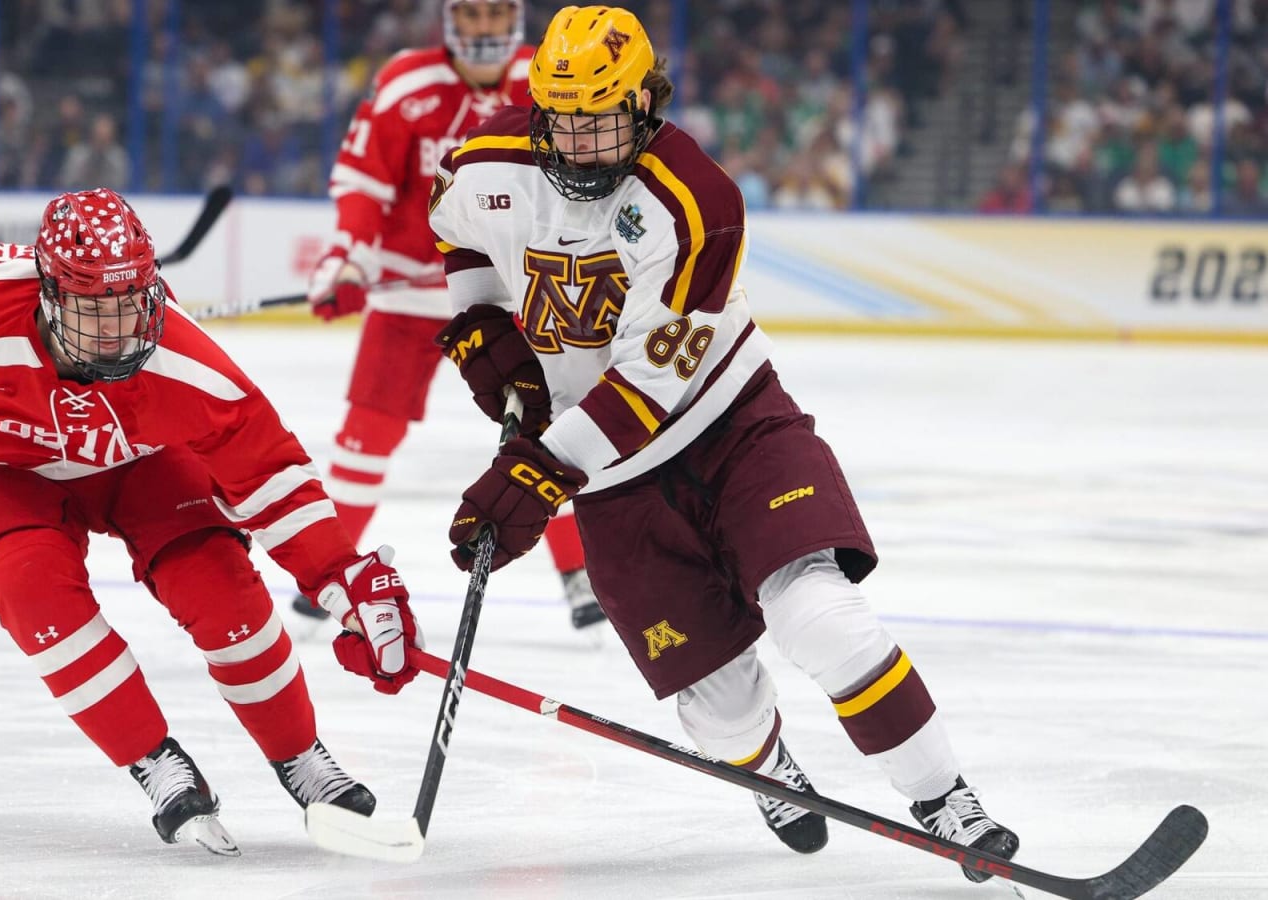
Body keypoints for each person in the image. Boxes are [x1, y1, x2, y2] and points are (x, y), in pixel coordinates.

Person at [425, 5, 1019, 881]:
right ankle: (769, 766)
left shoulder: (697, 200)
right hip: (613, 484)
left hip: (730, 429)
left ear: (645, 105)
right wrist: (484, 332)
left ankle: (946, 799)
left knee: (819, 617)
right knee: (722, 714)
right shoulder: (486, 165)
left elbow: (650, 384)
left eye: (603, 121)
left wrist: (539, 473)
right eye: (565, 121)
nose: (583, 142)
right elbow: (455, 235)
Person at [0, 188, 424, 854]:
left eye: (133, 301)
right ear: (50, 294)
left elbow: (271, 475)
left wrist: (343, 582)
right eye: (98, 307)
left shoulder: (185, 365)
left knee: (227, 596)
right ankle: (156, 763)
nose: (123, 328)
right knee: (35, 600)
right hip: (5, 474)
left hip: (143, 467)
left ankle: (302, 758)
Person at [299, 0, 604, 631]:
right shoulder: (407, 82)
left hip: (515, 298)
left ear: (515, 20)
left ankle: (580, 573)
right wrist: (346, 260)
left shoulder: (551, 80)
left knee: (548, 430)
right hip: (410, 299)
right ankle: (326, 571)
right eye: (471, 15)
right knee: (368, 433)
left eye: (496, 15)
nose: (484, 28)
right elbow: (364, 184)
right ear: (449, 21)